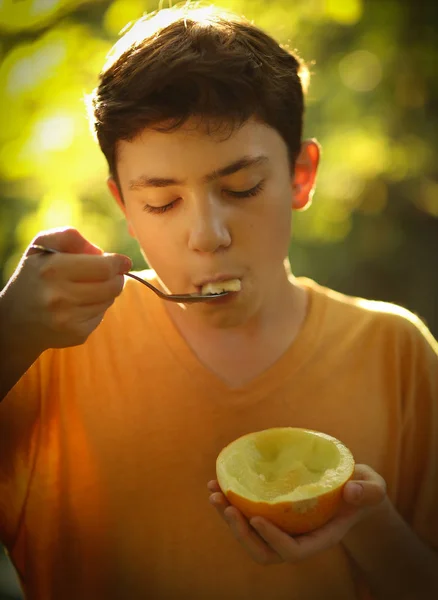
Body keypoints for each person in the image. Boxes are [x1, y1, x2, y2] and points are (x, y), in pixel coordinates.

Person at [0, 3, 437, 599]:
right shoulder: (46, 351)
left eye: (241, 188)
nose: (207, 235)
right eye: (161, 202)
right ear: (123, 204)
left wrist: (369, 524)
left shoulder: (397, 352)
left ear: (301, 176)